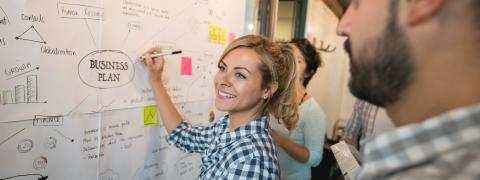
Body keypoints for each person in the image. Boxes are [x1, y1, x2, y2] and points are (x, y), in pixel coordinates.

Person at [337, 0, 480, 179]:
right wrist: (351, 175)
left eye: (357, 3)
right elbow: (346, 141)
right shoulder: (370, 92)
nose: (341, 27)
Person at [143, 35, 299, 179]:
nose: (222, 80)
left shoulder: (251, 161)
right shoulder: (226, 127)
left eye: (240, 75)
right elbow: (184, 136)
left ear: (268, 89)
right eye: (223, 68)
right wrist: (156, 80)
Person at [269, 39, 326, 180]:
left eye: (298, 61)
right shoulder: (269, 96)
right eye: (288, 57)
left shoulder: (313, 111)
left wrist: (281, 140)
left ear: (308, 73)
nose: (290, 63)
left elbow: (315, 159)